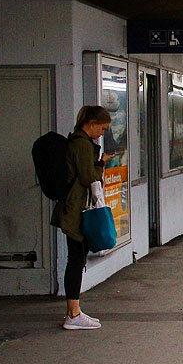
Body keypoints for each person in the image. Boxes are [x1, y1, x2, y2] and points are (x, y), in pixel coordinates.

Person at [51, 105, 114, 330]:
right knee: (76, 259)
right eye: (103, 128)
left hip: (76, 206)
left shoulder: (79, 142)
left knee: (77, 257)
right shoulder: (81, 144)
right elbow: (88, 176)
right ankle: (73, 313)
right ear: (92, 123)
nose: (102, 133)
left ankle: (74, 310)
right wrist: (102, 163)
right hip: (76, 208)